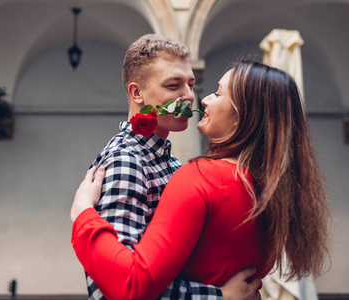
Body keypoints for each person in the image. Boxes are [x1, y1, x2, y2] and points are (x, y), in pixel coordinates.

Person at [71, 59, 332, 300]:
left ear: (242, 115)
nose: (201, 100)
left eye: (218, 93)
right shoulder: (273, 188)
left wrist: (83, 214)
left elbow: (131, 284)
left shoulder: (202, 177)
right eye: (174, 85)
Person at [74, 34, 262, 300]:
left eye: (191, 84)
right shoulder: (126, 161)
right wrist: (218, 296)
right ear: (136, 93)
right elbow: (109, 289)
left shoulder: (170, 162)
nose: (189, 97)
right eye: (173, 86)